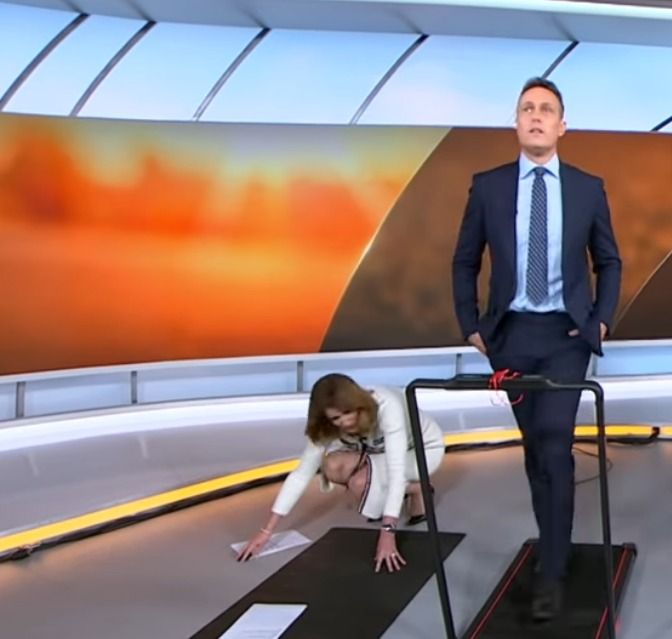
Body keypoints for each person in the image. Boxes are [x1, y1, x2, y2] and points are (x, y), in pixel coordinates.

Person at [452, 77, 621, 620]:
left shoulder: (588, 188)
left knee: (553, 445)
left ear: (562, 125)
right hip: (511, 337)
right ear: (516, 122)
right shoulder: (489, 187)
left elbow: (609, 261)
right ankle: (553, 542)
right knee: (534, 451)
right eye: (527, 108)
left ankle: (552, 569)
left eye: (547, 109)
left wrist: (599, 322)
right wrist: (471, 325)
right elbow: (465, 260)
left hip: (566, 338)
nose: (536, 116)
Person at [237, 373, 445, 573]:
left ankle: (418, 488)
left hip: (422, 451)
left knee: (360, 483)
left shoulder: (387, 405)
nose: (345, 422)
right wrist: (266, 531)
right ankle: (404, 489)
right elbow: (301, 473)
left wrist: (388, 533)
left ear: (358, 403)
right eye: (336, 418)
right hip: (379, 452)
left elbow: (396, 469)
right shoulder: (327, 425)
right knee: (332, 466)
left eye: (348, 412)